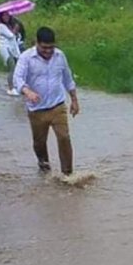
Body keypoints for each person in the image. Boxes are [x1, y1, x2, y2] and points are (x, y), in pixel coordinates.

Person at [13, 26, 80, 175]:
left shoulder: (60, 56)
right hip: (36, 109)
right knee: (39, 143)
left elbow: (67, 78)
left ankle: (68, 174)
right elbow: (17, 79)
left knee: (64, 137)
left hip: (58, 106)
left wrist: (74, 100)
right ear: (36, 42)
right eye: (44, 48)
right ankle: (44, 167)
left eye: (51, 47)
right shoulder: (26, 57)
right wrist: (27, 91)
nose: (48, 51)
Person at [0, 11, 21, 95]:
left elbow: (15, 37)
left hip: (13, 49)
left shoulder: (9, 25)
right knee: (12, 66)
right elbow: (10, 35)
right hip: (5, 49)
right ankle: (11, 88)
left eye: (7, 15)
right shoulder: (1, 26)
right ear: (1, 17)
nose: (6, 17)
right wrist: (15, 29)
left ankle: (17, 85)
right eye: (4, 16)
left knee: (18, 67)